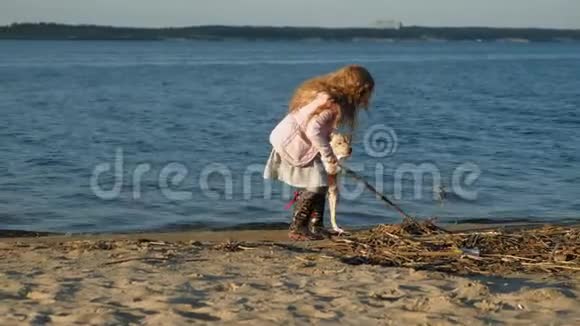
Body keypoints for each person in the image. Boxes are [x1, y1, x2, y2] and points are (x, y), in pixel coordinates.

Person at [264, 65, 375, 241]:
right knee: (315, 184)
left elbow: (318, 130)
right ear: (355, 89)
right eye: (364, 92)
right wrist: (329, 155)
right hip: (291, 141)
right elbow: (313, 131)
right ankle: (297, 228)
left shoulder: (327, 97)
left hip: (293, 138)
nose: (366, 97)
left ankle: (316, 226)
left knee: (321, 182)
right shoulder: (331, 103)